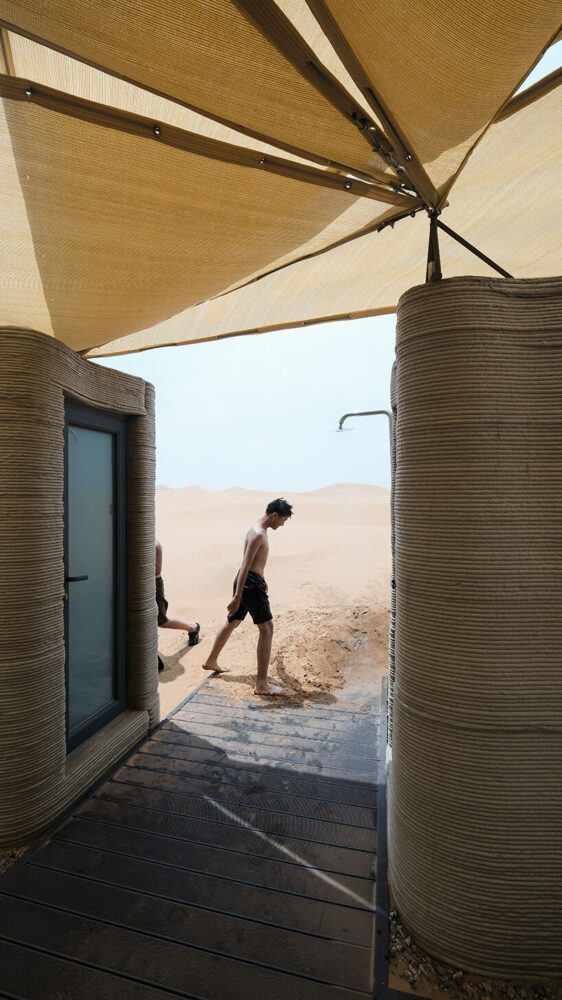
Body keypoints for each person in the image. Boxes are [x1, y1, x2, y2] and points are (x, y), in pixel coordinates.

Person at [202, 498, 293, 695]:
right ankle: (262, 685)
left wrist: (262, 578)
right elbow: (245, 564)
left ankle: (211, 660)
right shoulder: (259, 534)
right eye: (283, 520)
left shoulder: (257, 529)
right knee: (267, 629)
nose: (282, 525)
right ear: (274, 515)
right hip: (249, 584)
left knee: (233, 620)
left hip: (250, 581)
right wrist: (237, 596)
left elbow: (254, 563)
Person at [156, 540, 200, 670]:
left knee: (161, 621)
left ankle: (193, 628)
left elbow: (155, 571)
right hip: (134, 586)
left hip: (152, 587)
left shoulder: (154, 545)